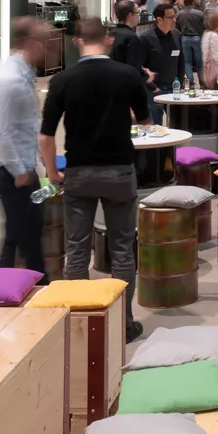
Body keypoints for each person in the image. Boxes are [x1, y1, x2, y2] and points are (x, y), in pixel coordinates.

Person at [40, 17, 150, 342]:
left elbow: (46, 136)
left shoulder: (62, 80)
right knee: (122, 249)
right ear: (108, 39)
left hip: (79, 173)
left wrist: (52, 172)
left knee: (76, 249)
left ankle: (80, 324)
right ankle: (124, 325)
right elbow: (144, 121)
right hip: (119, 172)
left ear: (76, 41)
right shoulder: (127, 75)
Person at [0, 18, 51, 278]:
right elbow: (1, 131)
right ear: (29, 42)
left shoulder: (23, 74)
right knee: (24, 232)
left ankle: (14, 283)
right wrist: (19, 170)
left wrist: (42, 158)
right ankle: (30, 283)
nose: (47, 49)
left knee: (23, 228)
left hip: (21, 164)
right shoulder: (9, 79)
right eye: (43, 43)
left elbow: (27, 124)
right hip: (8, 168)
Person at [141, 4, 186, 124]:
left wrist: (180, 83)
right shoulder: (146, 38)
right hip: (155, 91)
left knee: (178, 124)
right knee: (156, 127)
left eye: (174, 16)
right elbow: (141, 67)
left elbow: (181, 61)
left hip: (174, 89)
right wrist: (153, 88)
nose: (174, 20)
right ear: (159, 20)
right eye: (170, 17)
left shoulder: (176, 34)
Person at [110, 1, 153, 86]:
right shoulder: (132, 37)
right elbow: (133, 67)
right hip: (125, 84)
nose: (138, 16)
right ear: (130, 15)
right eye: (137, 13)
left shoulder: (111, 33)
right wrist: (146, 77)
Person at [177, 0, 205, 87]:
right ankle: (202, 83)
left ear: (184, 3)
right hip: (197, 37)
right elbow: (204, 25)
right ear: (192, 3)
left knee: (187, 62)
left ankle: (191, 84)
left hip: (184, 38)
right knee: (199, 62)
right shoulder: (199, 13)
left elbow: (177, 27)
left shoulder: (179, 14)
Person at [201, 13, 218, 89]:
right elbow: (216, 53)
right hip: (215, 67)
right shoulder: (214, 36)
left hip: (207, 66)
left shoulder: (206, 34)